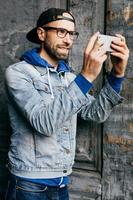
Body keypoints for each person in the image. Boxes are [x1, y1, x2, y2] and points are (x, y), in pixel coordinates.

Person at [5, 7, 129, 200]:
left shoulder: (69, 78)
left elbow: (95, 113)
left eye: (72, 33)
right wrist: (86, 76)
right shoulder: (18, 73)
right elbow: (44, 123)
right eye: (61, 32)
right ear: (41, 33)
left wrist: (117, 76)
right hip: (28, 185)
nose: (68, 40)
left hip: (62, 182)